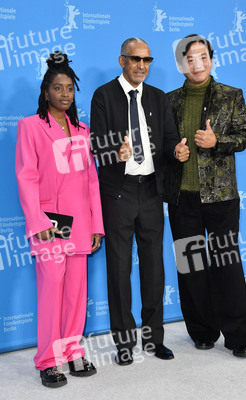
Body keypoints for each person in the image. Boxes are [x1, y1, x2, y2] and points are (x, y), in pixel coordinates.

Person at [90, 37, 189, 366]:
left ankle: (153, 338)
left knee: (153, 267)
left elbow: (171, 138)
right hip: (118, 191)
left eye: (147, 60)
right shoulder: (103, 96)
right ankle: (123, 341)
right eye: (135, 59)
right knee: (118, 269)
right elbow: (96, 145)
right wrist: (113, 152)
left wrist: (177, 151)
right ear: (122, 61)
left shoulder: (158, 98)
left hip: (151, 191)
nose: (142, 66)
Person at [15, 52, 104, 387]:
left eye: (69, 88)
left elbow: (91, 180)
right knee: (52, 292)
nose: (65, 94)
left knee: (76, 293)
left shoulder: (83, 130)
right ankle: (47, 360)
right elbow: (26, 178)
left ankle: (71, 351)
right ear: (46, 91)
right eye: (58, 88)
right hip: (49, 227)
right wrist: (39, 222)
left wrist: (96, 224)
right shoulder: (30, 126)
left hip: (79, 224)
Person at [164, 34, 246, 357]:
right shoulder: (170, 100)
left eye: (202, 56)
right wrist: (175, 152)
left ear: (211, 59)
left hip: (221, 197)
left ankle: (240, 337)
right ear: (181, 64)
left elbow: (243, 136)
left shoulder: (231, 95)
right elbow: (164, 145)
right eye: (190, 58)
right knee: (191, 266)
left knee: (226, 264)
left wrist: (217, 141)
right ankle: (201, 331)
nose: (197, 63)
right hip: (182, 198)